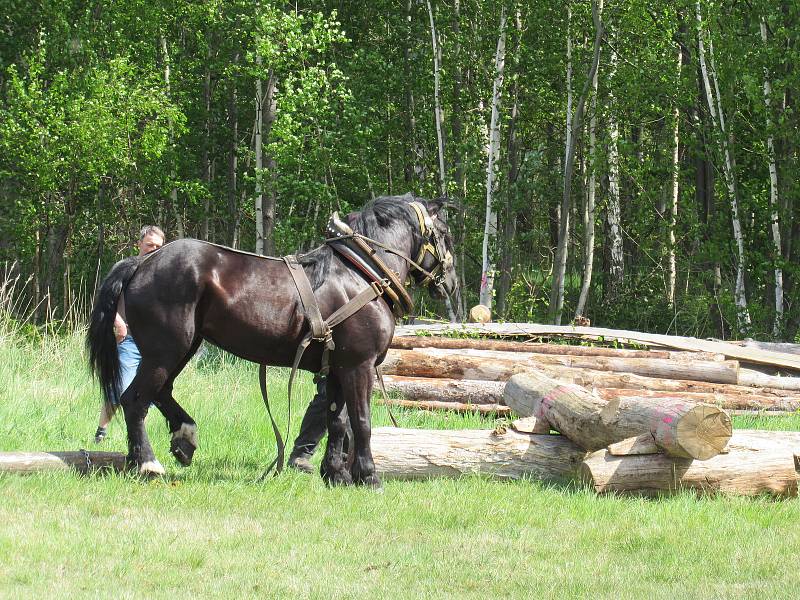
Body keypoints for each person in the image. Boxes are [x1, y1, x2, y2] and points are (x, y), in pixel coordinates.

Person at [94, 225, 165, 443]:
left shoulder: (164, 272)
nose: (153, 249)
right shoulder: (125, 267)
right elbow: (106, 299)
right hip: (129, 339)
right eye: (149, 245)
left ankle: (136, 435)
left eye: (158, 246)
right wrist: (119, 323)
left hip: (153, 343)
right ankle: (101, 432)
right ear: (139, 244)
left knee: (150, 389)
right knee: (121, 386)